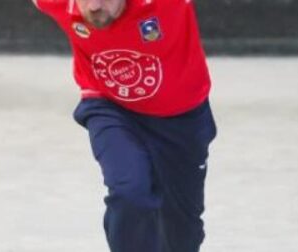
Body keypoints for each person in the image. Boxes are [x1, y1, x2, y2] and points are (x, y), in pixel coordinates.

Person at [32, 0, 217, 251]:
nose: (95, 6)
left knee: (182, 233)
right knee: (130, 192)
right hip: (110, 107)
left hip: (182, 119)